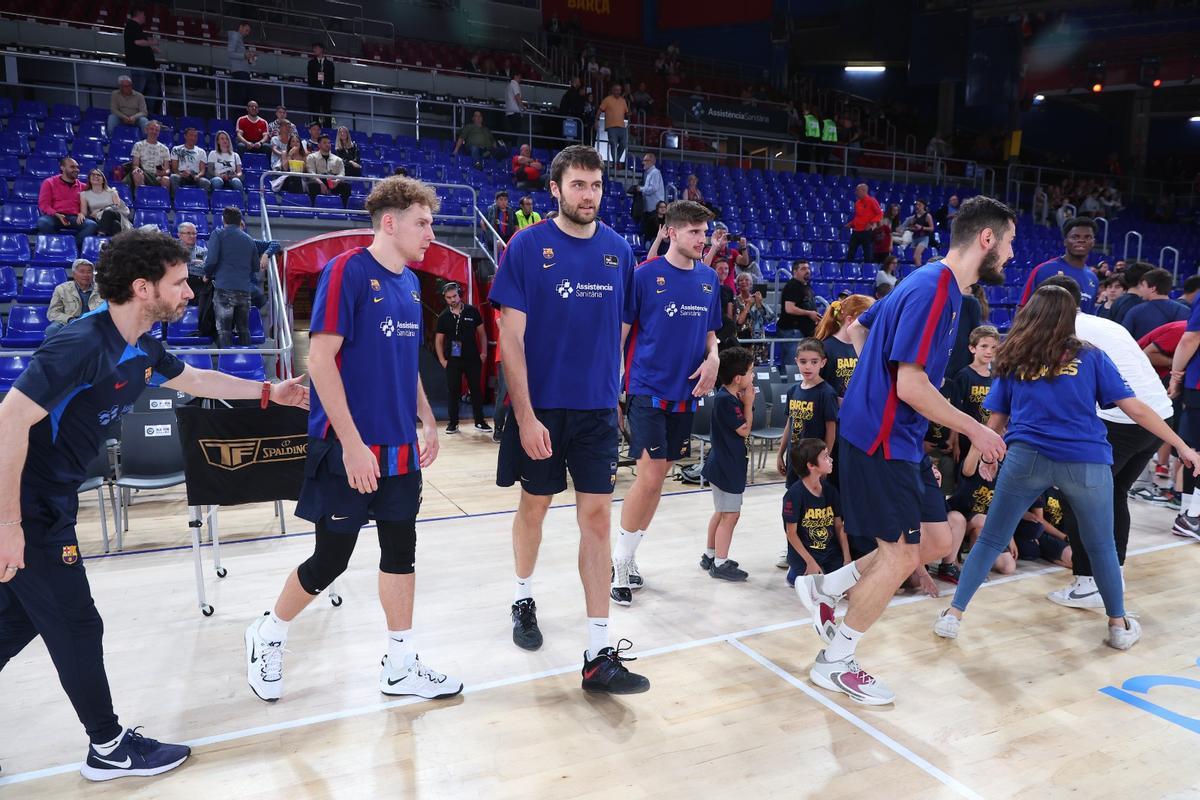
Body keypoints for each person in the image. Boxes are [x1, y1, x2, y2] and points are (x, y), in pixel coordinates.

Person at [0, 229, 307, 780]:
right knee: (76, 622)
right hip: (27, 505)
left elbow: (196, 378)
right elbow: (9, 421)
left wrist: (269, 392)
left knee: (19, 619)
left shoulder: (143, 345)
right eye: (180, 282)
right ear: (143, 288)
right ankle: (108, 747)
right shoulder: (79, 344)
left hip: (49, 500)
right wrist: (8, 524)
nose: (189, 292)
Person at [245, 176, 460, 705]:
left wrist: (427, 419)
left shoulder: (412, 285)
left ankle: (400, 665)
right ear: (390, 223)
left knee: (401, 552)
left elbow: (405, 363)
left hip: (399, 449)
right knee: (332, 559)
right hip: (348, 449)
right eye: (422, 223)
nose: (431, 234)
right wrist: (352, 444)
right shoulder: (347, 271)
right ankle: (268, 633)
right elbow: (320, 361)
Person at [795, 196, 1015, 706]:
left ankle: (826, 588)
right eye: (1007, 242)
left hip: (901, 437)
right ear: (986, 239)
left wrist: (871, 383)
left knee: (936, 540)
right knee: (899, 557)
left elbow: (859, 328)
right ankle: (836, 660)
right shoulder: (933, 290)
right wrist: (978, 431)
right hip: (882, 440)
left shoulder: (934, 284)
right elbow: (912, 386)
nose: (1009, 253)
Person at [932, 284, 1198, 651]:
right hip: (1084, 461)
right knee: (1102, 545)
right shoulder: (1091, 356)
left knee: (992, 538)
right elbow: (1134, 408)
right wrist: (1181, 445)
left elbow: (996, 420)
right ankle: (1118, 625)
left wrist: (984, 456)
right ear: (1070, 316)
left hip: (1025, 459)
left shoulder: (1014, 356)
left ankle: (953, 615)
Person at [488, 145, 649, 693]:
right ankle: (523, 595)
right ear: (555, 189)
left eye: (596, 185)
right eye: (578, 184)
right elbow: (510, 338)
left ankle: (598, 650)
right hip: (542, 409)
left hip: (596, 411)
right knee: (534, 506)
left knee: (598, 519)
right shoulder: (527, 246)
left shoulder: (618, 251)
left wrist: (609, 387)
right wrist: (526, 415)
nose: (588, 195)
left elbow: (622, 327)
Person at [1032, 275, 1173, 606]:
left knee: (1077, 498)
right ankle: (1113, 575)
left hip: (1125, 420)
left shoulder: (1066, 331)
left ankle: (1088, 583)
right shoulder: (1105, 324)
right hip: (1158, 418)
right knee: (1115, 493)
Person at [612, 200, 721, 605]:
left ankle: (629, 554)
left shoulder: (709, 279)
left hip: (685, 394)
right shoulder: (644, 276)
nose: (702, 238)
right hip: (646, 389)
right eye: (694, 231)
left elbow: (711, 334)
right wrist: (611, 388)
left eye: (704, 232)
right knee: (650, 476)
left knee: (659, 480)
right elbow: (621, 334)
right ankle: (620, 561)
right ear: (672, 232)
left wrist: (714, 358)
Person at [699, 347, 756, 580]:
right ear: (738, 378)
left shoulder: (727, 396)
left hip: (723, 463)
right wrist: (748, 404)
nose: (753, 376)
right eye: (750, 371)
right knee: (730, 515)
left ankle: (710, 555)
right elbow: (744, 430)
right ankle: (720, 563)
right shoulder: (727, 401)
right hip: (727, 465)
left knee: (722, 512)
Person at [783, 439, 849, 587]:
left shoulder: (830, 491)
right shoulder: (794, 495)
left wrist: (847, 559)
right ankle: (794, 570)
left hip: (829, 552)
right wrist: (810, 562)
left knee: (844, 586)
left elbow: (839, 526)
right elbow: (791, 533)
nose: (831, 460)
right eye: (825, 457)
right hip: (805, 554)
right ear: (811, 465)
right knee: (816, 587)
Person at [777, 338, 838, 486]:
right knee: (794, 495)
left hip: (815, 461)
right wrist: (780, 453)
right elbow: (790, 424)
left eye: (814, 362)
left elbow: (831, 431)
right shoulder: (793, 391)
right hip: (794, 458)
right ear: (796, 361)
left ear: (822, 363)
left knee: (813, 497)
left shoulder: (826, 393)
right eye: (803, 361)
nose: (808, 366)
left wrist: (825, 461)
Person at [434, 281, 490, 434]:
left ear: (459, 294)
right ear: (445, 298)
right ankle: (453, 423)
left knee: (476, 390)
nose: (453, 299)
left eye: (454, 296)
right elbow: (439, 341)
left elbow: (482, 334)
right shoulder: (443, 316)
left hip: (472, 358)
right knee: (453, 391)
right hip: (453, 359)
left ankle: (480, 421)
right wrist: (442, 360)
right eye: (449, 297)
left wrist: (484, 353)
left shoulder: (472, 311)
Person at [1019, 217, 1101, 313]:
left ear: (1093, 242)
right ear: (1065, 241)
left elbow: (1089, 314)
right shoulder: (1044, 270)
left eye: (1087, 237)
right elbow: (1023, 307)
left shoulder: (1093, 279)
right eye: (1075, 237)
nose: (1081, 240)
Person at [203, 207, 259, 348]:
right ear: (240, 221)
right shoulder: (249, 239)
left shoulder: (218, 234)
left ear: (223, 219)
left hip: (224, 289)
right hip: (245, 290)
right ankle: (246, 358)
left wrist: (207, 274)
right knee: (243, 329)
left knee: (224, 331)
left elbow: (211, 261)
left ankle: (226, 360)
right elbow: (256, 267)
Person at [947, 325, 999, 460]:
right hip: (966, 437)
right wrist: (955, 442)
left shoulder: (996, 377)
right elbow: (956, 410)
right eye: (984, 346)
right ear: (972, 348)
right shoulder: (964, 376)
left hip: (989, 437)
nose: (989, 351)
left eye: (993, 347)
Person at [815, 293, 874, 400]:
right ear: (850, 320)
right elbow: (813, 388)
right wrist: (836, 401)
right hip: (833, 409)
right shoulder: (824, 348)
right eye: (868, 321)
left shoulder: (866, 347)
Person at [37, 157, 98, 246]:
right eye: (72, 167)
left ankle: (71, 246)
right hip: (55, 216)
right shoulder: (49, 182)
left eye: (77, 167)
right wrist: (56, 214)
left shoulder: (83, 187)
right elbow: (44, 205)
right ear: (62, 168)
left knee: (92, 225)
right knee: (43, 222)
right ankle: (57, 244)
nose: (76, 170)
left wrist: (82, 213)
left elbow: (90, 207)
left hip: (75, 218)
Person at [1121, 268, 1189, 341]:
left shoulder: (1135, 311)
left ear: (1152, 288)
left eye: (1143, 285)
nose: (1140, 289)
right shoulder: (1186, 311)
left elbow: (1123, 339)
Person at [776, 259, 820, 365]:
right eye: (803, 269)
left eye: (808, 268)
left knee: (798, 362)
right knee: (792, 363)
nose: (807, 271)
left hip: (801, 331)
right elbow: (789, 308)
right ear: (795, 272)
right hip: (792, 331)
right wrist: (809, 313)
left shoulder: (805, 285)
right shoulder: (793, 286)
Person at [45, 258, 103, 337]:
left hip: (94, 322)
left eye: (89, 272)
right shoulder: (61, 289)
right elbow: (53, 313)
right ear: (74, 274)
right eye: (82, 271)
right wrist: (70, 319)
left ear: (93, 275)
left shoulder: (102, 289)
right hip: (69, 322)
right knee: (52, 329)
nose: (86, 275)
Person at [123, 6, 160, 102]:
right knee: (139, 90)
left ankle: (145, 109)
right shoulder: (132, 26)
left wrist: (151, 49)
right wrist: (152, 42)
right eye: (144, 15)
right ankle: (133, 109)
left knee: (152, 89)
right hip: (139, 66)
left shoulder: (137, 28)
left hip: (146, 66)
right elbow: (138, 42)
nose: (145, 17)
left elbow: (140, 44)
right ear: (139, 14)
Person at [125, 120, 171, 197]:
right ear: (146, 130)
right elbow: (135, 164)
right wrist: (137, 169)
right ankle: (141, 199)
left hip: (157, 176)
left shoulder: (164, 149)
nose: (154, 132)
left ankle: (163, 201)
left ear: (159, 133)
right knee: (137, 174)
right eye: (152, 129)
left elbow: (168, 170)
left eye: (157, 130)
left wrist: (163, 173)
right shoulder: (138, 145)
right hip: (144, 173)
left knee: (166, 179)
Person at [80, 168, 130, 237]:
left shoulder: (112, 192)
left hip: (115, 215)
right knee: (115, 224)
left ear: (103, 180)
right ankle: (116, 241)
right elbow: (84, 213)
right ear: (89, 179)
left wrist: (101, 210)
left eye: (98, 175)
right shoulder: (84, 194)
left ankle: (100, 235)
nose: (95, 176)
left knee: (108, 211)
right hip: (98, 219)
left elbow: (117, 208)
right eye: (93, 174)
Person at [305, 135, 350, 207]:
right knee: (312, 186)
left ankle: (344, 209)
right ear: (319, 145)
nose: (327, 144)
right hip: (319, 181)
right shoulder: (311, 157)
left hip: (333, 181)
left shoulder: (338, 159)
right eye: (324, 142)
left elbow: (342, 173)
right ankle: (312, 208)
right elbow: (311, 172)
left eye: (329, 143)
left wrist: (337, 181)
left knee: (346, 186)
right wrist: (321, 183)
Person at [845, 183, 882, 263]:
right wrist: (851, 224)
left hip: (866, 232)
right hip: (856, 231)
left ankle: (868, 268)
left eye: (857, 190)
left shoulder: (872, 201)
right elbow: (857, 217)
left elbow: (880, 214)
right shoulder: (857, 203)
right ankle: (848, 266)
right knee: (851, 252)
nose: (855, 192)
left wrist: (871, 223)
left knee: (867, 253)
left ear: (864, 191)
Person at [170, 127, 211, 195]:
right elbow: (174, 168)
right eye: (191, 135)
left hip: (195, 176)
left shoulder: (201, 151)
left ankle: (201, 200)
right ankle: (175, 199)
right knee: (173, 177)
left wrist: (198, 176)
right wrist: (181, 174)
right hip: (181, 174)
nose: (193, 138)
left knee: (205, 182)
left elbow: (202, 170)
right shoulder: (176, 149)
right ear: (185, 136)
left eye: (195, 136)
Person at [597, 84, 629, 170]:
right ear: (612, 90)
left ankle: (616, 161)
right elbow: (600, 110)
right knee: (613, 143)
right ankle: (615, 163)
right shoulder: (607, 99)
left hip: (622, 126)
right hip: (611, 126)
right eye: (616, 90)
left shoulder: (623, 101)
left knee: (624, 144)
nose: (617, 91)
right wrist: (596, 120)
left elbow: (627, 112)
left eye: (619, 90)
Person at [226, 21, 254, 110]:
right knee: (241, 98)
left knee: (244, 98)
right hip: (239, 72)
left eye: (248, 31)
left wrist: (247, 57)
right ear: (241, 27)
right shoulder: (235, 36)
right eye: (246, 30)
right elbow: (230, 53)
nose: (247, 33)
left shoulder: (239, 39)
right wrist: (244, 55)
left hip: (243, 72)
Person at [307, 43, 335, 126]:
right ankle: (315, 127)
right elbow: (310, 78)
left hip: (326, 91)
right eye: (314, 48)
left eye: (316, 48)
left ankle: (328, 128)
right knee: (315, 110)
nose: (314, 50)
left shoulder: (329, 64)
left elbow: (331, 78)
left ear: (321, 49)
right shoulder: (311, 63)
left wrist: (328, 89)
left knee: (327, 110)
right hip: (315, 91)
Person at [901, 199, 935, 267]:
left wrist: (922, 228)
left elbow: (932, 228)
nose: (917, 206)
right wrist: (912, 228)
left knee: (916, 256)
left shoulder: (927, 216)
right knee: (916, 258)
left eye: (919, 205)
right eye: (916, 204)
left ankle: (920, 272)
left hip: (923, 238)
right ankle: (919, 269)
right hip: (915, 237)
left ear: (924, 206)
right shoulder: (914, 217)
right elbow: (910, 227)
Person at [178, 221, 207, 297]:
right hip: (179, 281)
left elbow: (205, 266)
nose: (192, 236)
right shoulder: (173, 249)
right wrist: (192, 262)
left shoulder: (202, 251)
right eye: (188, 233)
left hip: (198, 281)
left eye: (194, 233)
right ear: (180, 235)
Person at [634, 153, 664, 218]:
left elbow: (653, 188)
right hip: (649, 209)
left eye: (645, 160)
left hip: (654, 209)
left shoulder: (655, 173)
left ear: (651, 162)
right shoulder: (648, 173)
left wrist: (640, 189)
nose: (643, 163)